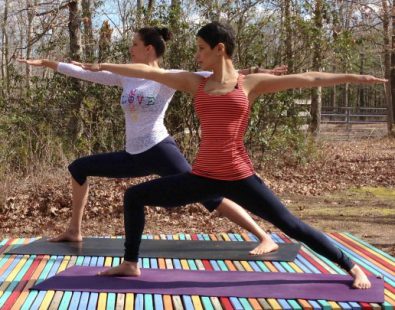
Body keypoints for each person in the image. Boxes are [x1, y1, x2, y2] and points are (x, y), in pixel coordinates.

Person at [78, 22, 386, 289]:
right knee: (134, 196)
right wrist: (103, 66)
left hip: (240, 177)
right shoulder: (195, 82)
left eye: (201, 48)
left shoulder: (248, 83)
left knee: (291, 225)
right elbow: (147, 71)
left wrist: (353, 77)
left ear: (220, 48)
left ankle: (351, 265)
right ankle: (130, 263)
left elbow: (309, 79)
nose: (196, 55)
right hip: (203, 177)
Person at [18, 26, 287, 255]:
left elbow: (223, 73)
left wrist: (260, 71)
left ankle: (263, 236)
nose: (130, 49)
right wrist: (47, 64)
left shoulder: (168, 77)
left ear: (149, 49)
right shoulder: (125, 75)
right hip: (132, 155)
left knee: (211, 197)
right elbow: (83, 71)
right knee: (79, 168)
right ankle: (74, 230)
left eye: (135, 45)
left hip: (160, 150)